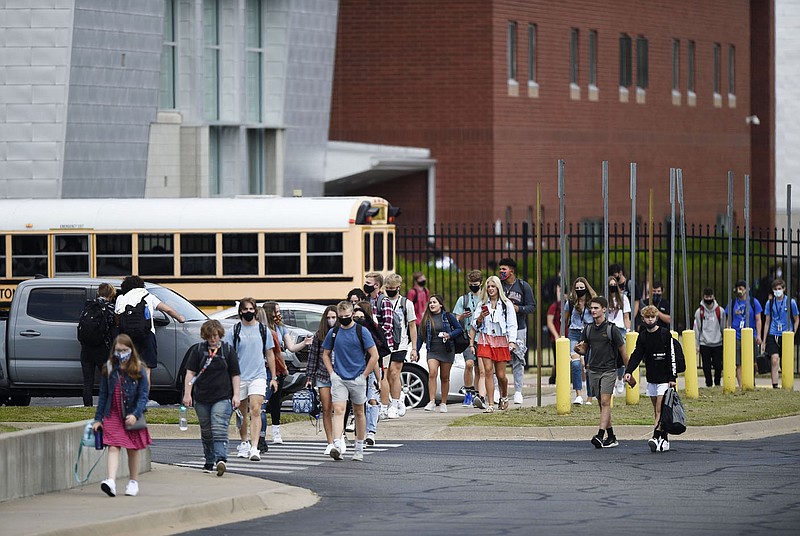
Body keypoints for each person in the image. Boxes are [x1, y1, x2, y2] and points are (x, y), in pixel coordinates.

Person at [92, 334, 151, 497]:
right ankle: (111, 481)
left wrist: (136, 414)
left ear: (131, 350)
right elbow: (103, 395)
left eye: (125, 350)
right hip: (113, 412)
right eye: (118, 350)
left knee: (132, 449)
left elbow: (143, 395)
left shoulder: (138, 368)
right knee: (113, 445)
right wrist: (98, 419)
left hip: (131, 413)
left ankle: (133, 482)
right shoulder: (110, 367)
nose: (121, 353)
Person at [322, 301, 380, 461]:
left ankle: (359, 447)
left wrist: (365, 375)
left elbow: (374, 355)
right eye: (341, 317)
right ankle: (338, 444)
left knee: (359, 412)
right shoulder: (334, 332)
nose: (344, 319)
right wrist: (332, 373)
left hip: (358, 377)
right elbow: (325, 354)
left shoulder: (362, 331)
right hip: (339, 377)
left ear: (352, 314)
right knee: (339, 410)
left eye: (347, 316)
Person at [182, 320, 240, 476]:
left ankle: (221, 459)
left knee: (219, 426)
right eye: (209, 336)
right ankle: (209, 460)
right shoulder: (198, 350)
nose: (213, 339)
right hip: (202, 397)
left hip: (222, 396)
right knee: (206, 431)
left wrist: (236, 395)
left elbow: (235, 374)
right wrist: (187, 394)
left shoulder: (228, 350)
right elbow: (190, 373)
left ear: (220, 334)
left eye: (215, 336)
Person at [223, 298, 276, 462]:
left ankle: (254, 447)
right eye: (245, 309)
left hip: (258, 375)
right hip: (239, 376)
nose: (248, 312)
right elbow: (228, 354)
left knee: (255, 409)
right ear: (240, 311)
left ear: (255, 310)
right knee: (242, 413)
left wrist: (273, 377)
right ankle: (244, 442)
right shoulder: (234, 330)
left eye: (251, 309)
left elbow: (270, 354)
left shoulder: (263, 330)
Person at [574, 296, 629, 449]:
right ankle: (611, 436)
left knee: (605, 402)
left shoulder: (612, 329)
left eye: (596, 308)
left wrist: (628, 372)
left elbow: (623, 352)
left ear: (604, 309)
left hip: (609, 370)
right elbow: (585, 349)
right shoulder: (589, 329)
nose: (593, 310)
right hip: (594, 370)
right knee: (601, 403)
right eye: (591, 308)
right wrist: (578, 349)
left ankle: (599, 435)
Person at [624, 305, 679, 453]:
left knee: (661, 408)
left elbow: (672, 356)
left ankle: (655, 436)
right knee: (657, 411)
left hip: (665, 379)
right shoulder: (643, 336)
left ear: (656, 318)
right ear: (643, 319)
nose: (650, 320)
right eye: (647, 317)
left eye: (652, 317)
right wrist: (629, 371)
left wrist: (673, 377)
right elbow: (637, 354)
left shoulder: (665, 334)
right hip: (652, 378)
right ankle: (664, 440)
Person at [115, 275, 185, 387]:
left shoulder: (121, 298)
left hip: (126, 338)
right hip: (146, 335)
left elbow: (117, 319)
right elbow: (168, 309)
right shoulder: (148, 296)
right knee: (146, 370)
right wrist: (180, 318)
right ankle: (143, 399)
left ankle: (128, 398)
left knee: (126, 369)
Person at [261, 301, 313, 446]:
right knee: (263, 403)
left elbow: (290, 347)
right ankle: (261, 434)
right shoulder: (261, 329)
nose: (278, 314)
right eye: (276, 311)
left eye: (279, 311)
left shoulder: (281, 328)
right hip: (263, 368)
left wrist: (304, 343)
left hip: (278, 368)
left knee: (276, 401)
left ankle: (276, 432)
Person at [469, 275, 517, 413]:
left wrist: (512, 341)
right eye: (488, 286)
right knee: (488, 371)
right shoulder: (482, 304)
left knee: (501, 375)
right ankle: (490, 403)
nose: (490, 289)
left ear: (498, 288)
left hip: (501, 340)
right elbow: (474, 324)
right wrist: (480, 318)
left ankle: (504, 396)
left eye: (493, 286)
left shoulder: (506, 304)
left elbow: (512, 324)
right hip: (485, 339)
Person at [498, 258, 536, 405]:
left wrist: (519, 309)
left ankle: (518, 391)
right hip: (500, 329)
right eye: (500, 269)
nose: (501, 272)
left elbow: (532, 306)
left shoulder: (522, 286)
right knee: (498, 360)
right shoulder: (498, 286)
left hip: (519, 327)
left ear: (511, 271)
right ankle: (497, 391)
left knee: (518, 359)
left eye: (504, 269)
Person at [417, 294, 463, 412]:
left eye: (434, 302)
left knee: (444, 377)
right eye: (430, 302)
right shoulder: (427, 318)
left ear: (441, 305)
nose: (431, 304)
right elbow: (420, 336)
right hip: (432, 350)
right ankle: (432, 401)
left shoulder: (448, 317)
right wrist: (415, 350)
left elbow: (459, 329)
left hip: (447, 350)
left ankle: (443, 402)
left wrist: (450, 335)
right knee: (432, 373)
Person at [382, 273, 418, 419]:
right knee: (386, 375)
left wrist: (414, 347)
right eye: (388, 288)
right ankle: (395, 397)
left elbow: (412, 326)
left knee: (395, 372)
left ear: (398, 288)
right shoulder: (382, 302)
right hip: (385, 343)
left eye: (393, 288)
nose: (390, 290)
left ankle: (395, 404)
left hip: (400, 343)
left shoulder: (406, 304)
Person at [305, 305, 339, 454]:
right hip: (323, 376)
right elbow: (312, 358)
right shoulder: (319, 335)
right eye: (329, 317)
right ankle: (330, 441)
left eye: (334, 317)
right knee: (326, 408)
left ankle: (339, 437)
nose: (331, 320)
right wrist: (309, 377)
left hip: (340, 376)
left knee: (338, 409)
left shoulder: (342, 333)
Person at [353, 301, 387, 445]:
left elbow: (376, 357)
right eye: (355, 315)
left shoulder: (371, 332)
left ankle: (371, 432)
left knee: (372, 400)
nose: (356, 318)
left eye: (360, 315)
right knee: (359, 403)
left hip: (372, 369)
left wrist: (379, 379)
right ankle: (359, 433)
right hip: (355, 370)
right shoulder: (350, 331)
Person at [79, 283, 117, 407]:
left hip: (86, 349)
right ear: (111, 294)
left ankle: (87, 405)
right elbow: (113, 328)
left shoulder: (88, 305)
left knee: (88, 381)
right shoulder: (110, 308)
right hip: (102, 349)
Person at [452, 270, 484, 403]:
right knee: (469, 364)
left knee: (479, 368)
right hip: (468, 337)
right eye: (471, 284)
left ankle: (478, 394)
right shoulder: (463, 299)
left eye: (476, 284)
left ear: (481, 283)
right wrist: (461, 317)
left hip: (482, 337)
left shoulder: (485, 298)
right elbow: (455, 318)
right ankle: (468, 392)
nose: (473, 286)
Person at [762, 278, 799, 388]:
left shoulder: (790, 302)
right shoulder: (770, 303)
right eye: (775, 289)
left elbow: (796, 319)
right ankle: (775, 385)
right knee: (774, 360)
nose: (777, 291)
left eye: (779, 288)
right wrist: (764, 340)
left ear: (784, 289)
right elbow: (767, 322)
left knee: (785, 361)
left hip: (786, 334)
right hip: (773, 333)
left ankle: (787, 383)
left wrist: (792, 333)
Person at [726, 279, 763, 387]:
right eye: (738, 287)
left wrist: (759, 335)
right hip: (736, 335)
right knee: (738, 362)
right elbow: (729, 318)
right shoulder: (733, 303)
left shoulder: (753, 302)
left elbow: (758, 319)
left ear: (747, 289)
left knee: (753, 362)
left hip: (751, 335)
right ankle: (742, 384)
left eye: (742, 287)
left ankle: (751, 381)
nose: (740, 289)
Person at [566, 277, 596, 405]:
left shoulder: (593, 302)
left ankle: (590, 396)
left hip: (589, 333)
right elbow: (565, 318)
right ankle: (578, 394)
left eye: (581, 288)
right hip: (574, 333)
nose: (579, 290)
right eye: (577, 288)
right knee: (576, 363)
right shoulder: (571, 302)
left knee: (589, 365)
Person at [693, 287, 726, 388]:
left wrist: (724, 340)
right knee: (706, 366)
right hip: (704, 343)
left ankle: (717, 383)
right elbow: (697, 328)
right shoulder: (699, 312)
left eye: (710, 296)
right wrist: (697, 344)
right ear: (703, 297)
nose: (708, 299)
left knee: (718, 365)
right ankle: (708, 383)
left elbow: (723, 326)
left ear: (713, 297)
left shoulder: (720, 311)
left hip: (717, 342)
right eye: (706, 297)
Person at [606, 276, 632, 396]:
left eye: (613, 284)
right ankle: (611, 382)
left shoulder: (623, 298)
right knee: (610, 356)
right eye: (610, 285)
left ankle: (620, 379)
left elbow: (626, 317)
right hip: (608, 329)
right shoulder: (604, 299)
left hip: (620, 330)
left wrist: (628, 330)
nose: (612, 287)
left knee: (622, 356)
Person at [545, 283, 562, 386]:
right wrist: (556, 335)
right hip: (556, 337)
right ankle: (553, 377)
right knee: (557, 361)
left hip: (569, 336)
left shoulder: (570, 305)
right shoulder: (555, 306)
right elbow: (549, 321)